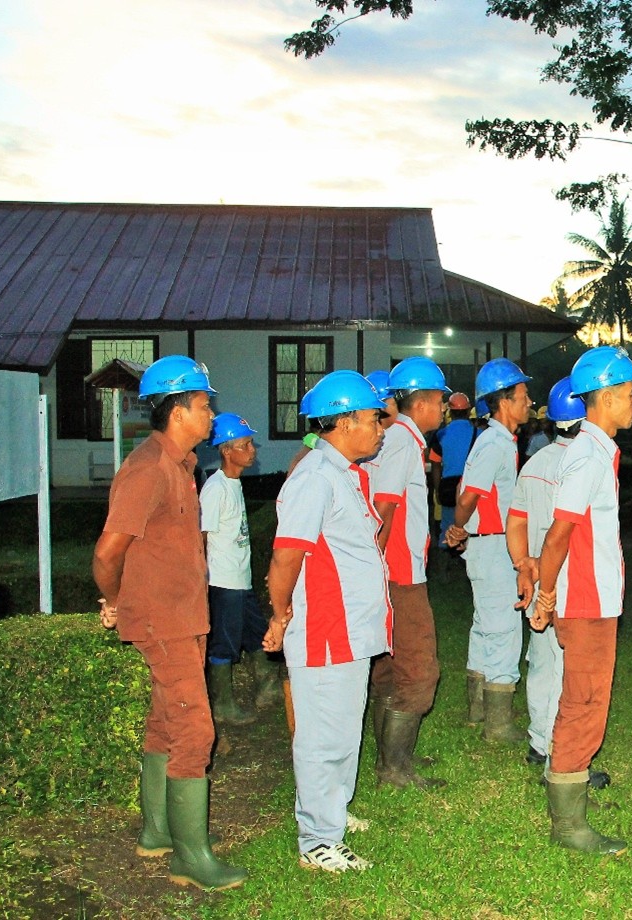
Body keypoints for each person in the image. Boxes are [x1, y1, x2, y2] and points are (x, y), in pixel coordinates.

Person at [93, 355, 246, 890]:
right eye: (205, 405)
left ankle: (157, 832)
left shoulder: (180, 464)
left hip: (184, 616)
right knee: (194, 730)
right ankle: (191, 856)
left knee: (165, 723)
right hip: (164, 622)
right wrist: (114, 600)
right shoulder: (148, 469)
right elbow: (108, 552)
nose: (212, 414)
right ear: (177, 410)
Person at [264, 370, 389, 873]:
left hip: (351, 628)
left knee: (343, 728)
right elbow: (286, 557)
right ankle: (317, 839)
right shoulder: (314, 477)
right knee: (323, 735)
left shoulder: (342, 473)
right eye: (373, 418)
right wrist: (279, 614)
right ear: (343, 422)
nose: (381, 427)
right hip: (325, 629)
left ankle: (333, 810)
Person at [527, 347, 632, 855]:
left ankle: (568, 790)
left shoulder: (599, 451)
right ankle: (569, 825)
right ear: (607, 397)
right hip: (586, 601)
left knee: (586, 698)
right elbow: (558, 535)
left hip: (596, 598)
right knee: (584, 702)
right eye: (630, 393)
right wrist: (546, 595)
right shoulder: (588, 455)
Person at [508, 377, 608, 792]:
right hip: (567, 580)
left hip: (536, 575)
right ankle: (559, 752)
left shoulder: (534, 462)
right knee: (570, 672)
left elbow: (515, 521)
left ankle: (537, 738)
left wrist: (523, 566)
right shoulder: (586, 461)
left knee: (542, 662)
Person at [364, 356, 449, 788]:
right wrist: (376, 569)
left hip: (390, 571)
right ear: (422, 402)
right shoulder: (400, 441)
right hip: (398, 573)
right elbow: (384, 506)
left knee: (388, 667)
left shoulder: (395, 438)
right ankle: (393, 768)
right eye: (440, 399)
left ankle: (391, 759)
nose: (444, 408)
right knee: (419, 668)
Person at [446, 358, 533, 741]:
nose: (529, 401)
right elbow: (469, 495)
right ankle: (498, 724)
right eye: (523, 395)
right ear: (503, 401)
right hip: (493, 545)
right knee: (503, 628)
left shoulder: (498, 441)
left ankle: (478, 710)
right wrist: (459, 527)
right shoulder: (495, 442)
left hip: (487, 544)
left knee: (485, 626)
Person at [201, 412, 279, 728]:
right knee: (224, 642)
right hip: (223, 582)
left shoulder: (234, 485)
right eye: (245, 445)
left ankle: (267, 689)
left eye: (250, 444)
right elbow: (201, 536)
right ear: (226, 450)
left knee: (257, 634)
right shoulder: (216, 488)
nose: (252, 450)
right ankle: (222, 705)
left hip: (240, 581)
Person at [427, 391, 476, 569]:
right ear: (468, 410)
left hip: (447, 486)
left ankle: (444, 568)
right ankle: (466, 565)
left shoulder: (441, 435)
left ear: (450, 411)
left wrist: (437, 488)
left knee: (447, 524)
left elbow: (436, 465)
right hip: (471, 487)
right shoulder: (478, 434)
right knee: (470, 525)